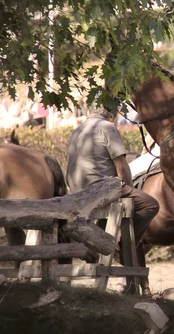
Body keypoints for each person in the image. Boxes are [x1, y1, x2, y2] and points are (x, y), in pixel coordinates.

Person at [66, 100, 159, 245]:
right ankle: (126, 244)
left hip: (77, 190)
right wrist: (130, 189)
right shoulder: (108, 127)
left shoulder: (78, 129)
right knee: (150, 205)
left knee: (109, 210)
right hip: (101, 188)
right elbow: (121, 167)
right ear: (111, 111)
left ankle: (104, 242)